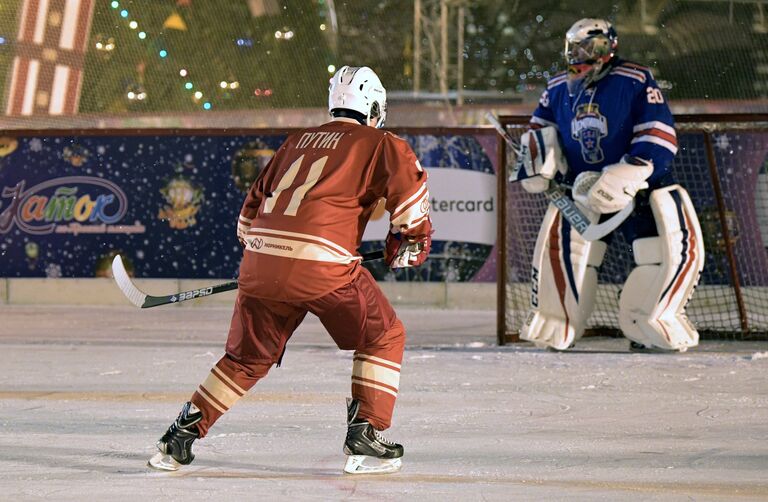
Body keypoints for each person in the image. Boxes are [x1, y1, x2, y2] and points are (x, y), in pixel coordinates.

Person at [148, 66, 432, 475]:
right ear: (373, 107)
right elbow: (410, 196)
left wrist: (271, 259)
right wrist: (410, 241)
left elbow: (247, 220)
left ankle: (179, 439)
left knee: (246, 359)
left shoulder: (296, 141)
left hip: (261, 261)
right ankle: (366, 434)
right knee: (384, 335)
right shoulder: (382, 142)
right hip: (323, 265)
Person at [516, 18, 705, 352]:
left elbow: (659, 131)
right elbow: (539, 127)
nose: (580, 53)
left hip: (637, 190)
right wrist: (536, 159)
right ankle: (559, 322)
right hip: (579, 188)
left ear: (608, 46)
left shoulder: (634, 79)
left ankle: (647, 321)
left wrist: (632, 170)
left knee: (656, 254)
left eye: (589, 46)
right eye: (574, 47)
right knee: (565, 254)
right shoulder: (558, 85)